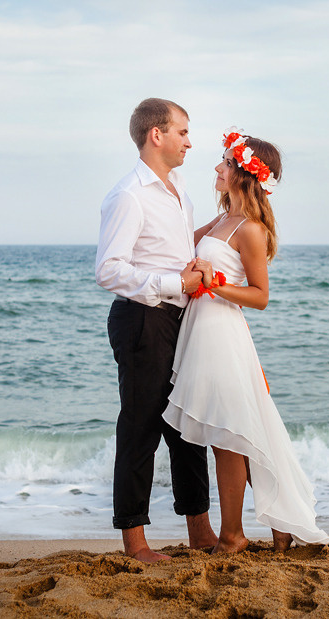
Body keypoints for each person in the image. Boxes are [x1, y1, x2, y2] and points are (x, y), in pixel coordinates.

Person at [163, 128, 329, 554]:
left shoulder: (249, 229)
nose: (217, 167)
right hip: (204, 332)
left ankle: (232, 536)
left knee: (229, 434)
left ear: (245, 174)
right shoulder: (221, 220)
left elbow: (260, 296)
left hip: (220, 332)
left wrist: (214, 285)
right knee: (227, 432)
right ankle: (272, 525)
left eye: (226, 163)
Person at [95, 98, 218, 562]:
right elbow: (109, 270)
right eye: (183, 132)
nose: (190, 140)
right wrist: (175, 281)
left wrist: (209, 245)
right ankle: (135, 541)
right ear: (156, 135)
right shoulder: (128, 195)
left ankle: (200, 531)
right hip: (143, 318)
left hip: (181, 318)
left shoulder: (180, 189)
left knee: (187, 426)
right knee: (141, 428)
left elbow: (172, 247)